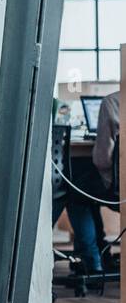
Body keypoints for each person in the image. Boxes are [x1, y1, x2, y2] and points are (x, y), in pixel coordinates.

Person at [60, 91, 121, 275]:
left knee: (76, 191)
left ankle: (93, 262)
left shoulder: (112, 102)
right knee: (87, 188)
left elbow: (102, 160)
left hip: (119, 192)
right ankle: (103, 254)